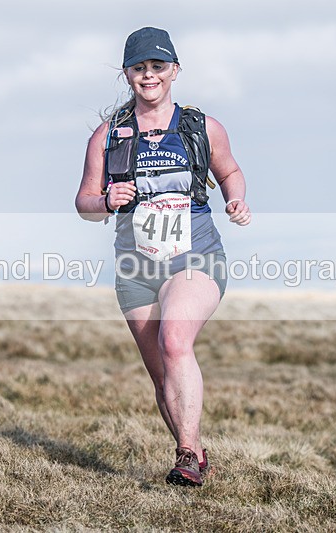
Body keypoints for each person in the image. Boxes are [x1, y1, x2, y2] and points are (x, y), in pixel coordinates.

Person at [75, 27, 251, 487]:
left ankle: (186, 455)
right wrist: (107, 200)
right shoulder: (109, 135)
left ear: (174, 70)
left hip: (196, 258)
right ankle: (195, 450)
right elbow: (84, 204)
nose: (149, 75)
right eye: (139, 67)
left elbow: (230, 171)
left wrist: (236, 200)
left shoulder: (201, 127)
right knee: (161, 374)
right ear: (127, 74)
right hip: (136, 269)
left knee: (175, 341)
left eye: (157, 66)